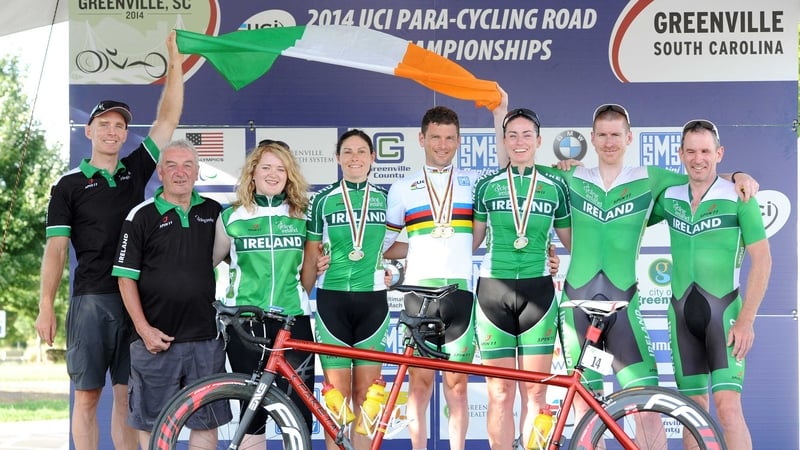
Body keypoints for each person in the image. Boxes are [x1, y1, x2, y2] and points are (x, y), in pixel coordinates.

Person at [494, 100, 759, 443]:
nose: (609, 141)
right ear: (592, 137)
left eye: (615, 134)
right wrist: (499, 116)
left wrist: (739, 175)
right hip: (577, 309)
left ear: (629, 137)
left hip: (623, 309)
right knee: (586, 407)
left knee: (648, 403)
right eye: (602, 135)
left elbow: (702, 176)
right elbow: (514, 173)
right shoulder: (571, 177)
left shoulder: (651, 179)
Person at [35, 31, 183, 450]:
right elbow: (56, 250)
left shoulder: (133, 170)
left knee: (126, 397)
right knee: (86, 398)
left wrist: (174, 58)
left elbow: (167, 119)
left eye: (119, 126)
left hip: (133, 299)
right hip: (90, 301)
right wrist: (46, 305)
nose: (113, 131)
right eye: (105, 124)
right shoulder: (67, 186)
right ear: (89, 130)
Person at [383, 104, 510, 450]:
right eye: (436, 137)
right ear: (421, 139)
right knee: (419, 385)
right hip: (418, 295)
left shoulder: (473, 183)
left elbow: (509, 172)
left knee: (457, 386)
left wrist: (501, 116)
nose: (442, 145)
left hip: (459, 295)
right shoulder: (402, 188)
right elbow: (385, 244)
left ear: (459, 141)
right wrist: (417, 247)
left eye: (450, 138)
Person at [649, 119, 770, 450]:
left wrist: (746, 321)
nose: (697, 158)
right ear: (680, 154)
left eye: (705, 151)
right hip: (681, 315)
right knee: (691, 412)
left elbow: (763, 261)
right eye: (691, 151)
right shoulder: (669, 197)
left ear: (719, 153)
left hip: (725, 312)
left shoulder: (739, 195)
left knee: (728, 410)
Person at [111, 140, 228, 449]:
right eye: (172, 166)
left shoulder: (214, 212)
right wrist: (143, 329)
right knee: (154, 423)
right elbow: (125, 279)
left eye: (187, 165)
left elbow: (249, 255)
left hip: (205, 337)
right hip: (155, 340)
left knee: (205, 421)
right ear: (160, 173)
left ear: (197, 172)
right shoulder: (141, 215)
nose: (180, 173)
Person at [471, 107, 571, 449]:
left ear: (539, 140)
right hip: (492, 294)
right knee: (499, 393)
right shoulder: (487, 186)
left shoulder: (556, 186)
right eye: (512, 135)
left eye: (527, 134)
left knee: (537, 392)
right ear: (503, 140)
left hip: (538, 293)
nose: (519, 141)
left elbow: (573, 242)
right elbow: (471, 241)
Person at [212, 141, 315, 447]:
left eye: (281, 168)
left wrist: (295, 295)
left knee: (299, 410)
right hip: (246, 323)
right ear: (253, 172)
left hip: (292, 320)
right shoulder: (231, 216)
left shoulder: (303, 215)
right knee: (252, 411)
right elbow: (210, 262)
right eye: (266, 167)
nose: (273, 174)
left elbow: (310, 268)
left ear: (289, 175)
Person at [301, 129, 390, 450]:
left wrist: (393, 269)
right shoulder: (322, 200)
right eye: (348, 152)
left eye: (362, 152)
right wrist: (305, 287)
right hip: (331, 303)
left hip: (374, 305)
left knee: (367, 398)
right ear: (337, 158)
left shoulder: (384, 198)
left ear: (372, 158)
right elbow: (311, 253)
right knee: (336, 398)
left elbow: (396, 245)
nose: (355, 158)